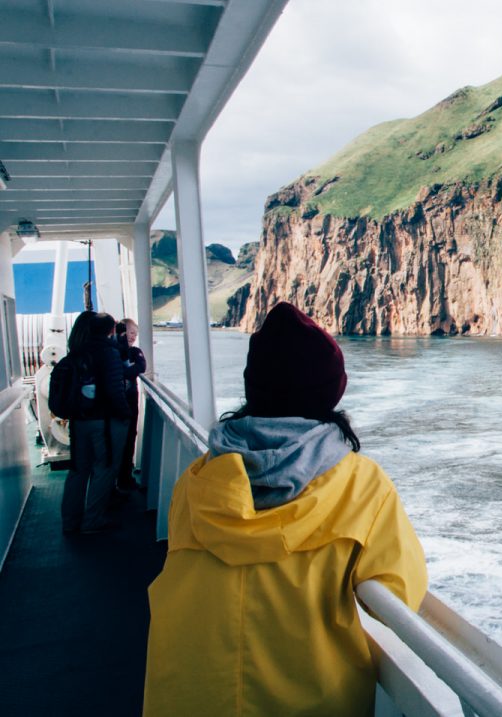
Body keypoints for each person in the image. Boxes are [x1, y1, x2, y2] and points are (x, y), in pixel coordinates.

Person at [143, 302, 427, 716]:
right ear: (330, 392)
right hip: (307, 695)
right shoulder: (361, 484)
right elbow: (398, 596)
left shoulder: (198, 479)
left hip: (191, 689)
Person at [61, 312, 134, 534]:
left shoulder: (76, 352)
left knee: (78, 470)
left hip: (78, 420)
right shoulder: (108, 353)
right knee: (105, 468)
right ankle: (92, 520)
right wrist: (126, 413)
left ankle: (70, 522)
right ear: (110, 330)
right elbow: (114, 389)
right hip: (101, 423)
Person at [114, 318, 147, 492]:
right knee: (118, 440)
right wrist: (127, 371)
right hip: (118, 403)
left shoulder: (134, 352)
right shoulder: (114, 352)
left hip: (130, 403)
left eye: (135, 333)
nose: (132, 336)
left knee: (130, 437)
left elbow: (140, 367)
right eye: (130, 332)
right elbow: (130, 370)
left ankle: (124, 477)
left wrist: (123, 372)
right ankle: (117, 480)